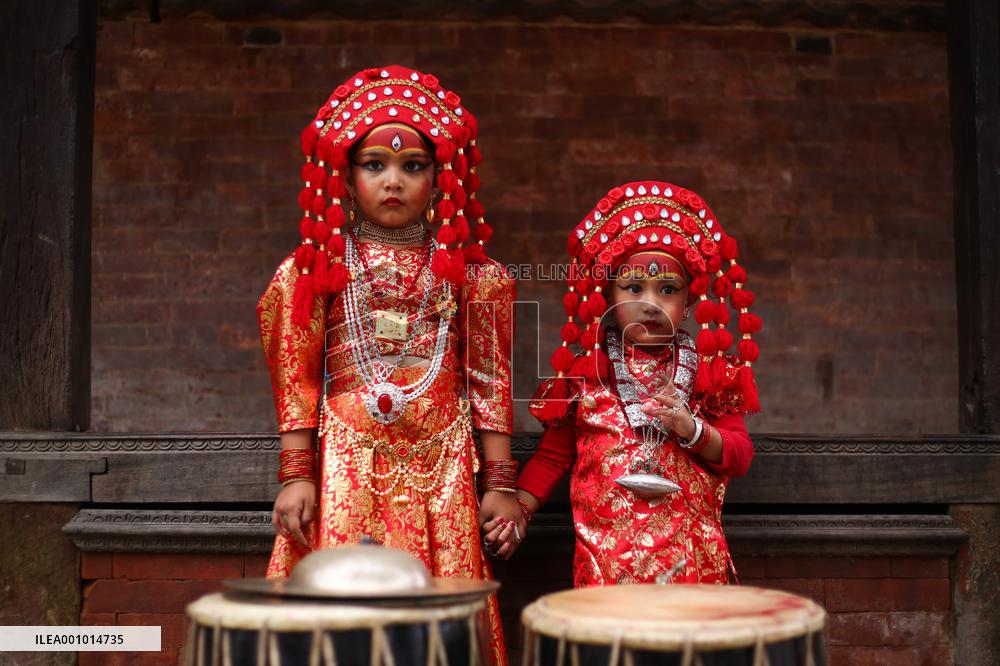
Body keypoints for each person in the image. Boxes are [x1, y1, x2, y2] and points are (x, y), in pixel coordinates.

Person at [257, 65, 516, 664]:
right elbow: (295, 373)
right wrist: (297, 474)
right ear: (345, 178)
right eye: (374, 165)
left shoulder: (476, 276)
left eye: (412, 166)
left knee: (442, 611)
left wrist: (500, 485)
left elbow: (491, 381)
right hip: (348, 458)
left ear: (440, 177)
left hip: (445, 464)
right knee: (345, 608)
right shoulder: (315, 269)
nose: (392, 180)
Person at [485, 181, 759, 587]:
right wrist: (518, 509)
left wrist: (693, 430)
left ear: (688, 304)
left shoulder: (711, 375)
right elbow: (553, 458)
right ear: (608, 298)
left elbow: (739, 454)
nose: (651, 303)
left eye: (667, 289)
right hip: (607, 572)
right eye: (634, 288)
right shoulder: (587, 377)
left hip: (691, 572)